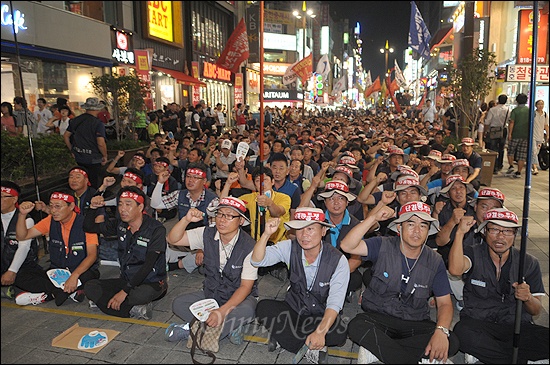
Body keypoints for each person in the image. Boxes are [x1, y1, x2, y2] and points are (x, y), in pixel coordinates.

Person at [341, 202, 459, 364]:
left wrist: (441, 331)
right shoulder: (381, 244)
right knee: (357, 326)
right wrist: (373, 218)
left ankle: (378, 351)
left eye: (423, 225)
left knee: (451, 340)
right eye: (410, 224)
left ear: (428, 231)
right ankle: (415, 358)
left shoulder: (435, 260)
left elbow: (445, 303)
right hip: (378, 318)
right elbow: (347, 245)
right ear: (399, 228)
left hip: (415, 322)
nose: (417, 231)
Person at [448, 208, 549, 364]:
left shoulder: (529, 262)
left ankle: (488, 354)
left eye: (507, 231)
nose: (500, 236)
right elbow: (455, 269)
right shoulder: (473, 253)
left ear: (515, 235)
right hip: (479, 322)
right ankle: (520, 360)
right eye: (494, 229)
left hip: (514, 324)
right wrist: (459, 233)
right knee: (462, 333)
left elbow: (535, 310)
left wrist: (527, 298)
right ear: (484, 232)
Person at [252, 208, 350, 364]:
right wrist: (266, 235)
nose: (304, 235)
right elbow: (257, 260)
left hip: (320, 314)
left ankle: (285, 338)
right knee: (263, 307)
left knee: (339, 333)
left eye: (310, 228)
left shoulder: (338, 260)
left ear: (323, 230)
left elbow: (335, 302)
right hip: (294, 308)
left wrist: (320, 331)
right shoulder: (289, 247)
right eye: (299, 229)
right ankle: (311, 346)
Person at [164, 197, 258, 344]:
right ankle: (224, 329)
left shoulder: (250, 246)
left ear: (240, 221)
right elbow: (173, 239)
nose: (222, 220)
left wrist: (222, 311)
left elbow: (245, 287)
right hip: (212, 294)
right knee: (178, 303)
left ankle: (192, 330)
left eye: (229, 215)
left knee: (248, 310)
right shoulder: (207, 233)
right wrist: (186, 220)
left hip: (240, 299)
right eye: (219, 214)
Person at [83, 186, 168, 320]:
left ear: (140, 207)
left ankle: (106, 304)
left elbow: (148, 265)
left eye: (128, 204)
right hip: (127, 279)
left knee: (137, 296)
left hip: (151, 282)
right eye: (120, 204)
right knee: (90, 287)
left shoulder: (156, 229)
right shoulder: (120, 224)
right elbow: (89, 227)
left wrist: (124, 292)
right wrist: (92, 208)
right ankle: (133, 310)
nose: (122, 209)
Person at [14, 190, 99, 306]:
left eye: (58, 206)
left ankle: (52, 293)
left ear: (71, 206)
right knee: (20, 276)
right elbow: (21, 236)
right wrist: (22, 214)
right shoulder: (50, 221)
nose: (53, 210)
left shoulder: (86, 223)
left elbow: (92, 255)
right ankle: (59, 292)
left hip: (80, 271)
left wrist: (74, 276)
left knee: (89, 277)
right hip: (56, 273)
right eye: (51, 206)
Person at [1, 181, 40, 299]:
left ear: (14, 199)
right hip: (2, 265)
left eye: (2, 197)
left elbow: (24, 248)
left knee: (23, 279)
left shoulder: (26, 219)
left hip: (23, 267)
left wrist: (12, 271)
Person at [63, 97, 108, 189]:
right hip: (94, 158)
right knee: (94, 182)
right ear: (98, 109)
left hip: (79, 156)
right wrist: (105, 155)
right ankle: (92, 199)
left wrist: (72, 150)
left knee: (82, 180)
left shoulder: (76, 120)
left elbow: (66, 136)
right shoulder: (97, 123)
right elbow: (100, 143)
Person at [484, 94, 509, 174]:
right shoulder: (508, 110)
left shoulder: (492, 110)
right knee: (501, 148)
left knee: (493, 148)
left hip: (494, 130)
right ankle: (500, 165)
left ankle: (494, 166)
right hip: (503, 130)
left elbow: (488, 121)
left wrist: (486, 131)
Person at [506, 93, 530, 178]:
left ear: (517, 101)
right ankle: (519, 172)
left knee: (510, 151)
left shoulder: (515, 111)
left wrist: (510, 134)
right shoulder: (529, 110)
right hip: (526, 136)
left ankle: (511, 166)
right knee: (522, 154)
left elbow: (511, 122)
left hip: (515, 134)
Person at [532, 99, 549, 175]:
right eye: (539, 104)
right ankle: (534, 168)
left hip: (540, 136)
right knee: (534, 151)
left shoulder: (545, 114)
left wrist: (548, 134)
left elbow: (546, 125)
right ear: (536, 105)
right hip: (533, 136)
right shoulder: (533, 113)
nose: (540, 106)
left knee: (537, 152)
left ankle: (532, 165)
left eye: (542, 104)